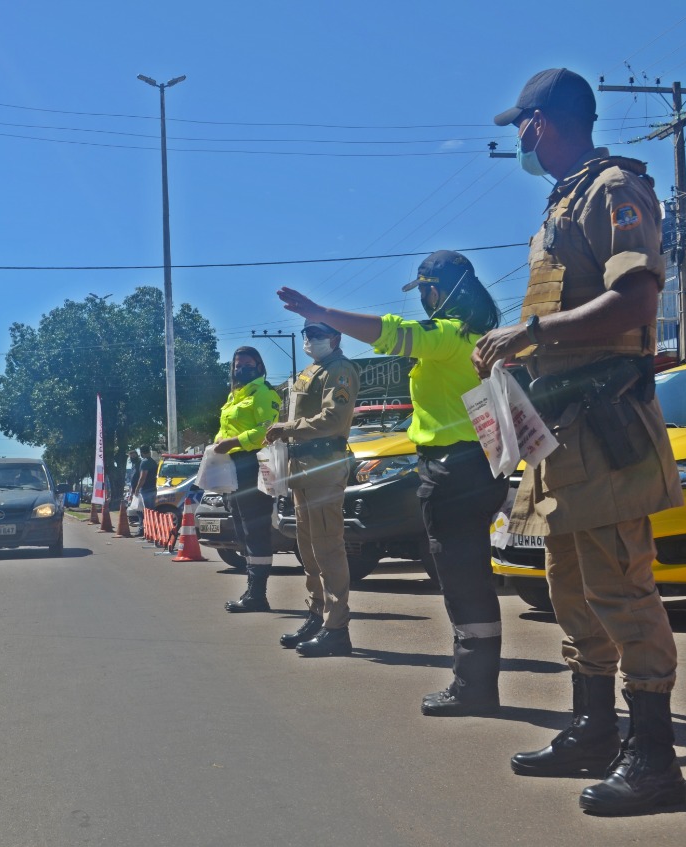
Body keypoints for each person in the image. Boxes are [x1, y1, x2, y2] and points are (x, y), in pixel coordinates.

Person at [473, 68, 685, 815]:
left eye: (521, 126)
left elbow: (637, 299)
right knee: (570, 589)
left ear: (542, 122)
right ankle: (594, 728)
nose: (520, 139)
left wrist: (529, 332)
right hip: (559, 434)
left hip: (605, 427)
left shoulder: (612, 190)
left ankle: (655, 758)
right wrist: (517, 354)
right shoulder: (563, 199)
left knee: (623, 590)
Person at [278, 249, 508, 714]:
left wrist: (322, 312)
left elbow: (391, 332)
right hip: (474, 465)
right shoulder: (478, 335)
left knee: (462, 581)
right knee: (469, 578)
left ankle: (474, 688)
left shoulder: (448, 335)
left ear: (437, 291)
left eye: (425, 290)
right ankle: (476, 683)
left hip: (455, 468)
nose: (423, 299)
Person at [263, 320, 359, 657]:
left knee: (327, 546)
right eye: (308, 334)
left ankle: (337, 627)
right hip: (301, 465)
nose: (311, 340)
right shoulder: (310, 371)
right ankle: (318, 615)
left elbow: (334, 418)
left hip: (324, 464)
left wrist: (288, 428)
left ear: (336, 337)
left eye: (319, 334)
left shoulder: (339, 370)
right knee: (308, 547)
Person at [214, 346, 283, 613]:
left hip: (254, 463)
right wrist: (218, 443)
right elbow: (225, 428)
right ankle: (252, 590)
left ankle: (257, 595)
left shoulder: (263, 393)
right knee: (242, 528)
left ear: (259, 367)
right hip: (233, 467)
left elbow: (267, 429)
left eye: (247, 365)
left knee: (255, 528)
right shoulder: (235, 396)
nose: (240, 369)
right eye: (236, 365)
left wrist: (233, 442)